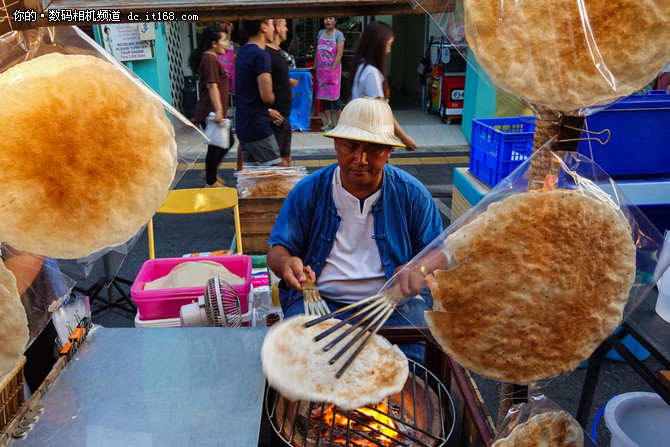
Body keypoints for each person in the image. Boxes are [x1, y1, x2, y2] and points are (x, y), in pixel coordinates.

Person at [267, 98, 442, 361]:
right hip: (320, 304)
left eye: (374, 149)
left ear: (388, 152)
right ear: (336, 144)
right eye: (351, 146)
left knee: (417, 366)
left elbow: (439, 251)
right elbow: (278, 250)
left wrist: (419, 269)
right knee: (297, 363)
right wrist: (287, 262)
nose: (360, 159)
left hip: (394, 308)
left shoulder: (412, 194)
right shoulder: (309, 191)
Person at [349, 21, 418, 151]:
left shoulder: (360, 65)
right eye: (388, 45)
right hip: (371, 140)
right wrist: (404, 138)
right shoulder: (371, 73)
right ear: (378, 46)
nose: (388, 50)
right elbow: (382, 111)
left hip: (362, 136)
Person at [236, 19, 285, 168]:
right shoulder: (261, 55)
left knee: (253, 179)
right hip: (258, 126)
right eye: (271, 25)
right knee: (276, 175)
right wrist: (274, 95)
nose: (274, 30)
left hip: (243, 124)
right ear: (263, 27)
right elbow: (266, 96)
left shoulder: (243, 51)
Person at [189, 25, 231, 187]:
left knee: (225, 142)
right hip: (211, 112)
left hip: (213, 111)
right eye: (224, 40)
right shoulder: (210, 59)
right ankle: (211, 181)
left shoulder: (210, 58)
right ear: (214, 43)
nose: (226, 44)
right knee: (217, 145)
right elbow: (212, 86)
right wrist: (219, 110)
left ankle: (210, 173)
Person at [267, 19, 300, 166]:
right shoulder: (265, 54)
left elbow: (271, 79)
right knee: (277, 163)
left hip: (283, 117)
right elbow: (255, 85)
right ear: (276, 28)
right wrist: (267, 110)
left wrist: (286, 81)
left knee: (286, 161)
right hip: (275, 117)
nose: (287, 29)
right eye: (285, 26)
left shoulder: (278, 53)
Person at [314, 17, 345, 131]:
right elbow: (318, 51)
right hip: (321, 71)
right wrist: (315, 65)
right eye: (326, 19)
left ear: (336, 21)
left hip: (333, 71)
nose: (328, 21)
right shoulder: (320, 33)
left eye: (330, 18)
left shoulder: (339, 35)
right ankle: (329, 122)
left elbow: (340, 54)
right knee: (324, 98)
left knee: (334, 98)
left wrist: (332, 69)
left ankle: (341, 124)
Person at [217, 21, 237, 95]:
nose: (225, 25)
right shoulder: (217, 34)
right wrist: (229, 32)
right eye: (223, 22)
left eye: (226, 23)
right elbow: (227, 46)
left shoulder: (224, 34)